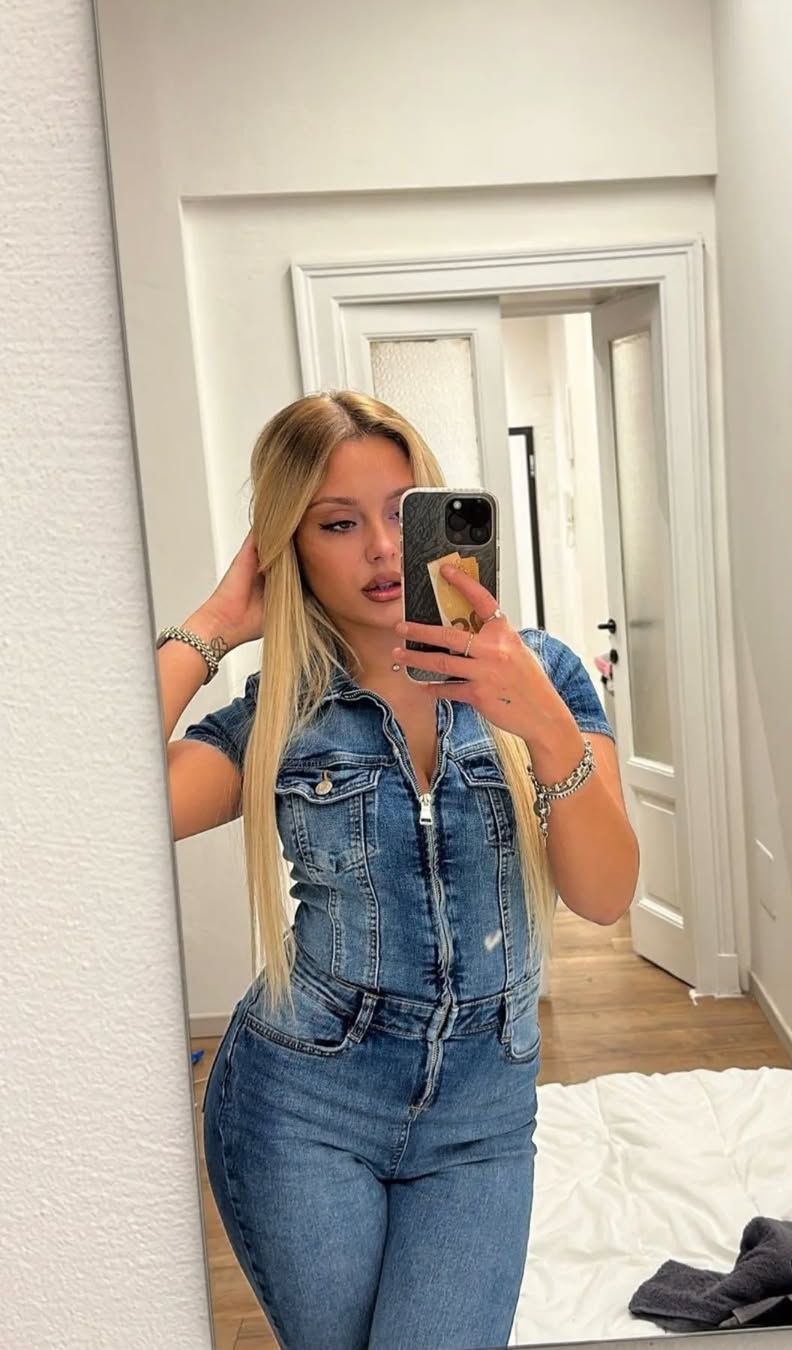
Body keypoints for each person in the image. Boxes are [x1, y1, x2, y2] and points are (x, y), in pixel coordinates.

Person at [157, 391, 640, 1350]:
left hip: (481, 1122)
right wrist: (214, 623)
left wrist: (542, 724)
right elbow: (89, 813)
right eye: (337, 524)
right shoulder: (284, 709)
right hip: (302, 1107)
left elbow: (606, 895)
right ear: (290, 549)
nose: (382, 549)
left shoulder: (542, 674)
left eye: (400, 511)